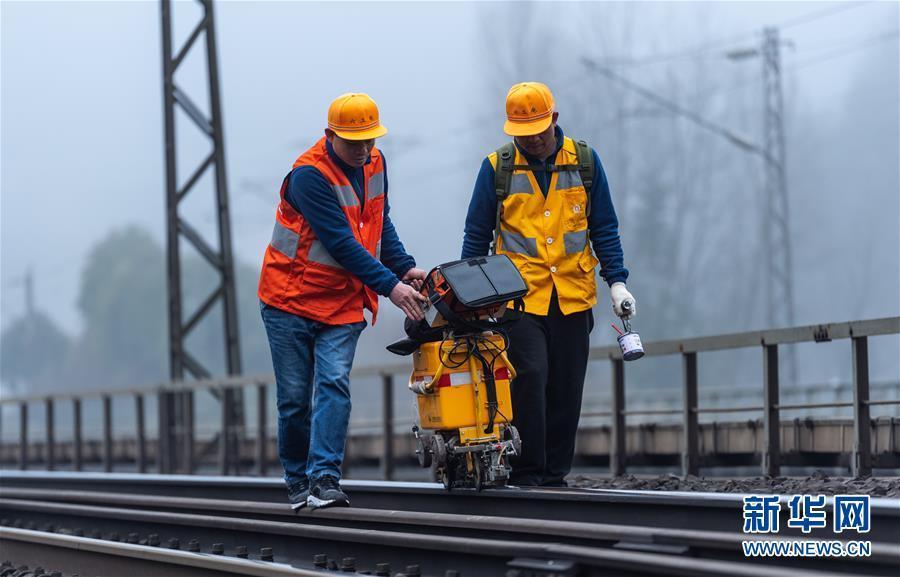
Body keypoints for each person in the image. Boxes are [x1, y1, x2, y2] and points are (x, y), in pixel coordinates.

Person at [461, 82, 636, 487]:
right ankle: (528, 472)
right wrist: (474, 297)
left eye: (539, 131)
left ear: (554, 120)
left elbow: (604, 228)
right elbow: (476, 235)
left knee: (566, 384)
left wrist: (618, 283)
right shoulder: (497, 168)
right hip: (519, 300)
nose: (533, 140)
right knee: (530, 375)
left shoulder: (586, 163)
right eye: (523, 134)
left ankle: (555, 475)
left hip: (573, 296)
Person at [258, 93, 426, 509]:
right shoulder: (308, 177)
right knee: (295, 400)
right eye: (354, 142)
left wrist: (403, 267)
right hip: (289, 302)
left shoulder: (376, 164)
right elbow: (341, 242)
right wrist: (391, 287)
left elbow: (378, 220)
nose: (364, 150)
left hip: (342, 303)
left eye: (370, 140)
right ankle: (298, 480)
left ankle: (325, 479)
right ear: (330, 135)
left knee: (334, 384)